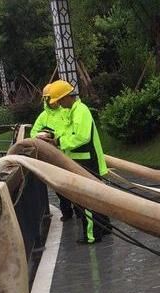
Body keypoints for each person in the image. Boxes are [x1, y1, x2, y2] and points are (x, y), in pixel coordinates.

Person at [46, 80, 112, 244]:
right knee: (96, 196)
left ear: (68, 97)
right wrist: (54, 137)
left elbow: (82, 137)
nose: (59, 104)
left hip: (85, 162)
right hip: (81, 161)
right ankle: (104, 228)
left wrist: (59, 142)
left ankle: (91, 235)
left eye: (60, 100)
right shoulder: (72, 111)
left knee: (85, 200)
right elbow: (67, 132)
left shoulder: (80, 111)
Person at [31, 83, 74, 221]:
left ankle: (81, 212)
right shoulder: (43, 117)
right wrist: (44, 135)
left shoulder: (67, 110)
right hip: (53, 158)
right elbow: (33, 134)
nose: (53, 102)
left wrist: (57, 138)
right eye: (49, 99)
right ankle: (66, 212)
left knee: (75, 186)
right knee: (60, 187)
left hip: (70, 154)